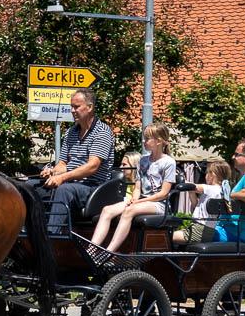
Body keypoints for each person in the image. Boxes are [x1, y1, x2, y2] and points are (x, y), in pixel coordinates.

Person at [90, 122, 177, 252]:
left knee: (129, 211)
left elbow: (163, 194)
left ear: (158, 141)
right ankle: (92, 249)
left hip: (159, 205)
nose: (144, 141)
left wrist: (138, 202)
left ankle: (109, 251)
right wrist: (134, 199)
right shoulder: (143, 160)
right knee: (107, 210)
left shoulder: (169, 162)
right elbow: (137, 188)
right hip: (141, 201)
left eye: (147, 138)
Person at [39, 88, 115, 236]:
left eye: (76, 107)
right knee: (32, 187)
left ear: (90, 107)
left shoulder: (102, 132)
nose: (72, 111)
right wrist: (52, 172)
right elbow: (62, 164)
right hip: (70, 183)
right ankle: (27, 233)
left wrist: (62, 178)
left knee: (64, 190)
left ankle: (52, 236)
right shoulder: (71, 132)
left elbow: (92, 166)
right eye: (71, 107)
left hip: (93, 187)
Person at [173, 161, 232, 245]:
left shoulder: (212, 189)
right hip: (206, 230)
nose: (205, 176)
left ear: (212, 175)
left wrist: (177, 177)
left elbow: (194, 186)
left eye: (207, 173)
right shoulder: (219, 191)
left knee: (166, 236)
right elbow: (195, 205)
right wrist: (191, 191)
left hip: (199, 229)